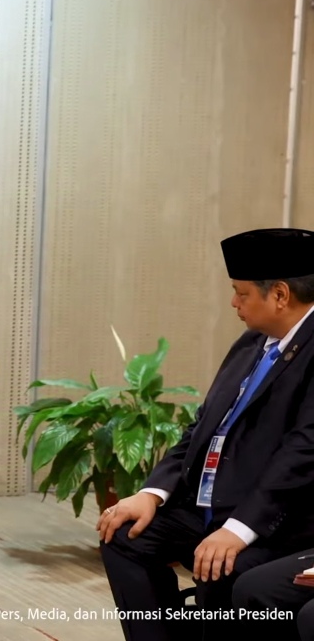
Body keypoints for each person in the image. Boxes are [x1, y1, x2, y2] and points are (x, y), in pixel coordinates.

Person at [97, 228, 314, 641]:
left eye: (241, 293)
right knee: (124, 536)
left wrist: (240, 528)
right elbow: (204, 426)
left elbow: (303, 452)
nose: (234, 303)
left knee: (223, 567)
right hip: (207, 504)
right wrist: (153, 492)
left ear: (280, 295)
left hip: (274, 521)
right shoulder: (253, 342)